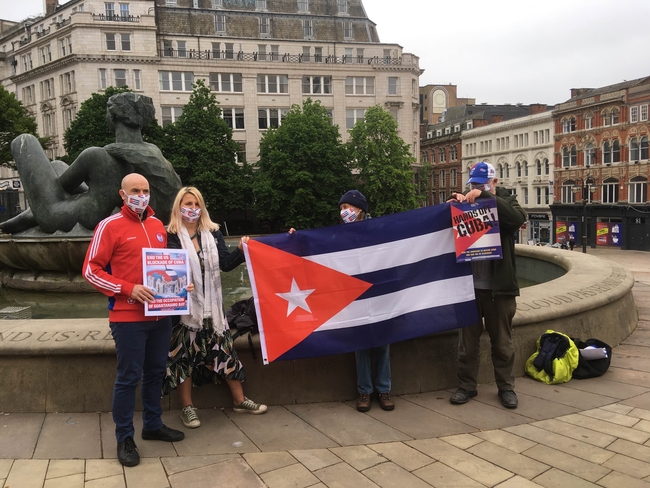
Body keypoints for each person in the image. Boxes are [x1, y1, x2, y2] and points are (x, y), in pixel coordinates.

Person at [83, 173, 185, 468]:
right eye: (135, 190)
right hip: (127, 317)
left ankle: (152, 425)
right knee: (129, 378)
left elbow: (164, 268)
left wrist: (180, 285)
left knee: (156, 373)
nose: (142, 194)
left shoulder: (157, 226)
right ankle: (124, 437)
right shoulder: (109, 226)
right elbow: (90, 270)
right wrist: (128, 288)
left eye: (145, 190)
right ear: (122, 194)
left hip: (159, 316)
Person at [2, 92, 181, 234]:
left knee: (24, 140)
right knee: (57, 165)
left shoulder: (96, 155)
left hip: (58, 215)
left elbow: (61, 186)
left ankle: (33, 215)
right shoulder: (152, 153)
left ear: (113, 117)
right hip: (101, 210)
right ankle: (30, 215)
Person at [164, 186, 267, 429]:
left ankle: (239, 400)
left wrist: (241, 251)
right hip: (184, 311)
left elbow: (226, 264)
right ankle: (187, 408)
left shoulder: (213, 233)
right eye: (187, 204)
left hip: (212, 310)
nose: (192, 209)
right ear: (178, 207)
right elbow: (164, 269)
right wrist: (178, 284)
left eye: (196, 204)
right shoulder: (169, 235)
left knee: (226, 351)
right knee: (183, 358)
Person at [447, 162, 527, 409]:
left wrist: (487, 197)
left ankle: (506, 387)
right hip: (469, 288)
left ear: (494, 182)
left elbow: (517, 219)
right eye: (474, 184)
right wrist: (450, 207)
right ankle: (467, 386)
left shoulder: (506, 200)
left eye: (482, 184)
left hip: (498, 289)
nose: (476, 188)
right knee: (466, 345)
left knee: (502, 343)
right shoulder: (463, 202)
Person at [338, 190, 395, 412]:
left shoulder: (378, 229)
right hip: (355, 295)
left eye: (347, 208)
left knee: (382, 343)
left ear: (360, 209)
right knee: (361, 344)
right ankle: (364, 391)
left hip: (379, 292)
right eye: (342, 208)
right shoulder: (339, 233)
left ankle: (384, 389)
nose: (344, 212)